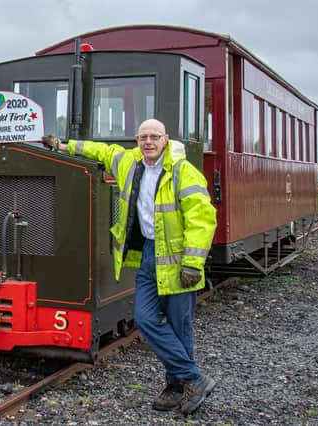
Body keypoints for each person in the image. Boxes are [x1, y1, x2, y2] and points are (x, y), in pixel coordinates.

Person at [44, 119, 217, 414]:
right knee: (146, 319)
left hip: (179, 261)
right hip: (150, 256)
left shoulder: (184, 172)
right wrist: (63, 145)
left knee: (179, 326)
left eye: (154, 137)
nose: (148, 142)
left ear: (165, 139)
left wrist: (192, 263)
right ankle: (195, 378)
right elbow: (101, 151)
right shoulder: (130, 163)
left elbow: (203, 219)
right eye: (143, 137)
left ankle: (177, 388)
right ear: (137, 140)